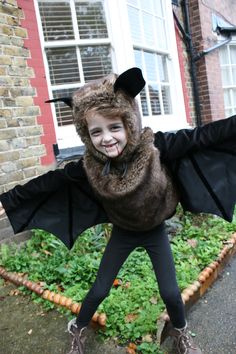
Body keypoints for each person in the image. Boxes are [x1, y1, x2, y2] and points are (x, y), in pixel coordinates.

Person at [0, 68, 236, 354]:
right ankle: (77, 328)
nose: (107, 138)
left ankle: (179, 331)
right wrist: (8, 200)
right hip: (123, 232)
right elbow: (50, 182)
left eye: (114, 128)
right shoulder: (90, 167)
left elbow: (204, 135)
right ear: (86, 136)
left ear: (129, 124)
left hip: (154, 230)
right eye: (95, 132)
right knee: (99, 289)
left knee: (172, 293)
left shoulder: (157, 147)